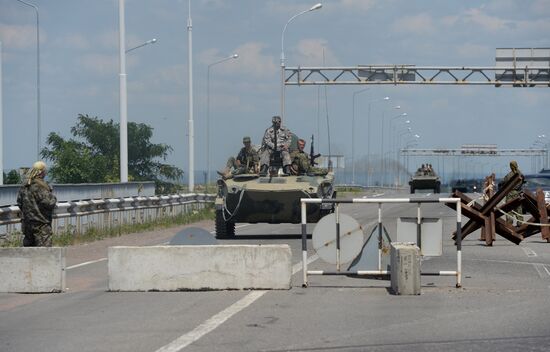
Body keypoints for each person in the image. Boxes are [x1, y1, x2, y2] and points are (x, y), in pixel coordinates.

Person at [16, 161, 57, 247]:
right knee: (44, 254)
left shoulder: (24, 186)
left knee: (29, 254)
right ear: (41, 172)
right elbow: (50, 203)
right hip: (41, 226)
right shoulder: (40, 186)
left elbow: (19, 203)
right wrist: (52, 196)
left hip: (27, 225)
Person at [499, 160, 525, 224]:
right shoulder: (521, 174)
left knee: (509, 208)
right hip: (518, 193)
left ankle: (509, 223)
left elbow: (502, 182)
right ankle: (520, 223)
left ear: (510, 166)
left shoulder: (508, 175)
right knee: (518, 208)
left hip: (510, 193)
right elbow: (523, 181)